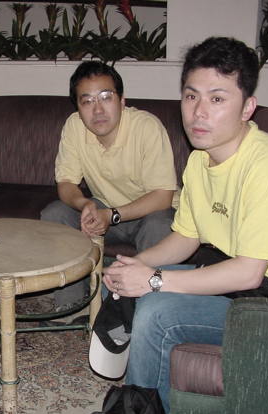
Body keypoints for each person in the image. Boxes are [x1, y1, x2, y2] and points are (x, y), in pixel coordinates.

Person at [103, 37, 268, 411]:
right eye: (191, 96)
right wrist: (136, 265)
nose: (199, 112)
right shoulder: (199, 160)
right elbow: (186, 237)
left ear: (247, 107)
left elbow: (249, 273)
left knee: (157, 312)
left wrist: (155, 280)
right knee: (128, 283)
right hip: (248, 290)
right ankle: (150, 405)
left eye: (217, 99)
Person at [41, 60, 178, 314]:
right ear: (78, 107)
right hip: (105, 209)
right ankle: (71, 306)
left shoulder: (146, 127)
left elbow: (162, 197)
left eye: (106, 97)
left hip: (150, 213)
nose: (98, 110)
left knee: (160, 225)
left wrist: (112, 215)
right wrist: (85, 204)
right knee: (55, 214)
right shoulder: (74, 126)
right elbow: (66, 183)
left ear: (122, 100)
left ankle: (147, 310)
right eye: (87, 101)